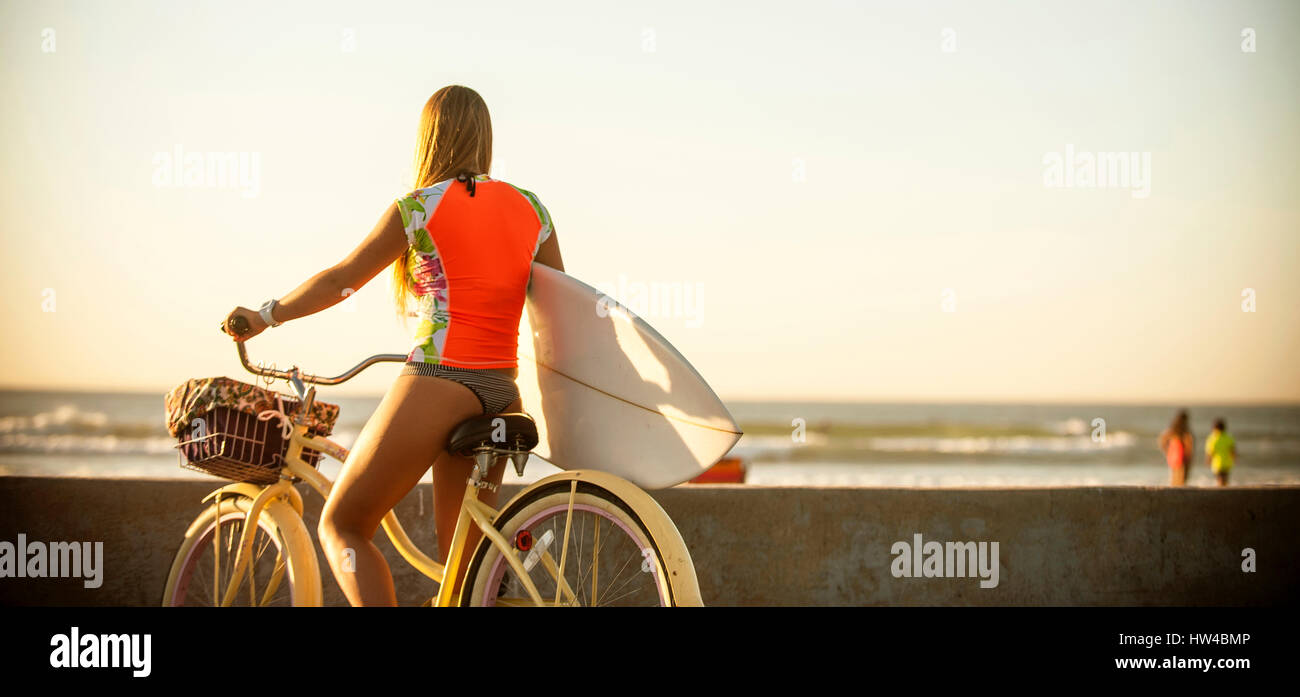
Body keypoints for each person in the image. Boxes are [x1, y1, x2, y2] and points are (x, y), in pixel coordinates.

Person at [221, 85, 565, 605]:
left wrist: (266, 315)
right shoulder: (532, 209)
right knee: (465, 573)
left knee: (343, 524)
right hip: (503, 392)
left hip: (440, 379)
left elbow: (342, 279)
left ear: (429, 138)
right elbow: (561, 305)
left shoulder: (418, 208)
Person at [1157, 409, 1194, 486]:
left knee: (1174, 477)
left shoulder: (1173, 430)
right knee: (1182, 479)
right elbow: (1189, 446)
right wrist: (1189, 457)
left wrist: (1167, 450)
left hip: (1172, 456)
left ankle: (1173, 492)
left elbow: (1162, 440)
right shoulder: (1185, 431)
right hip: (1182, 456)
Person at [1205, 418, 1237, 487]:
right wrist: (1234, 459)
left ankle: (1221, 492)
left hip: (1217, 464)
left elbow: (1210, 452)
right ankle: (1225, 492)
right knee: (1225, 480)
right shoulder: (1229, 437)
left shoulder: (1213, 438)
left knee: (1219, 481)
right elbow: (1233, 451)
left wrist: (1208, 461)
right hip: (1227, 463)